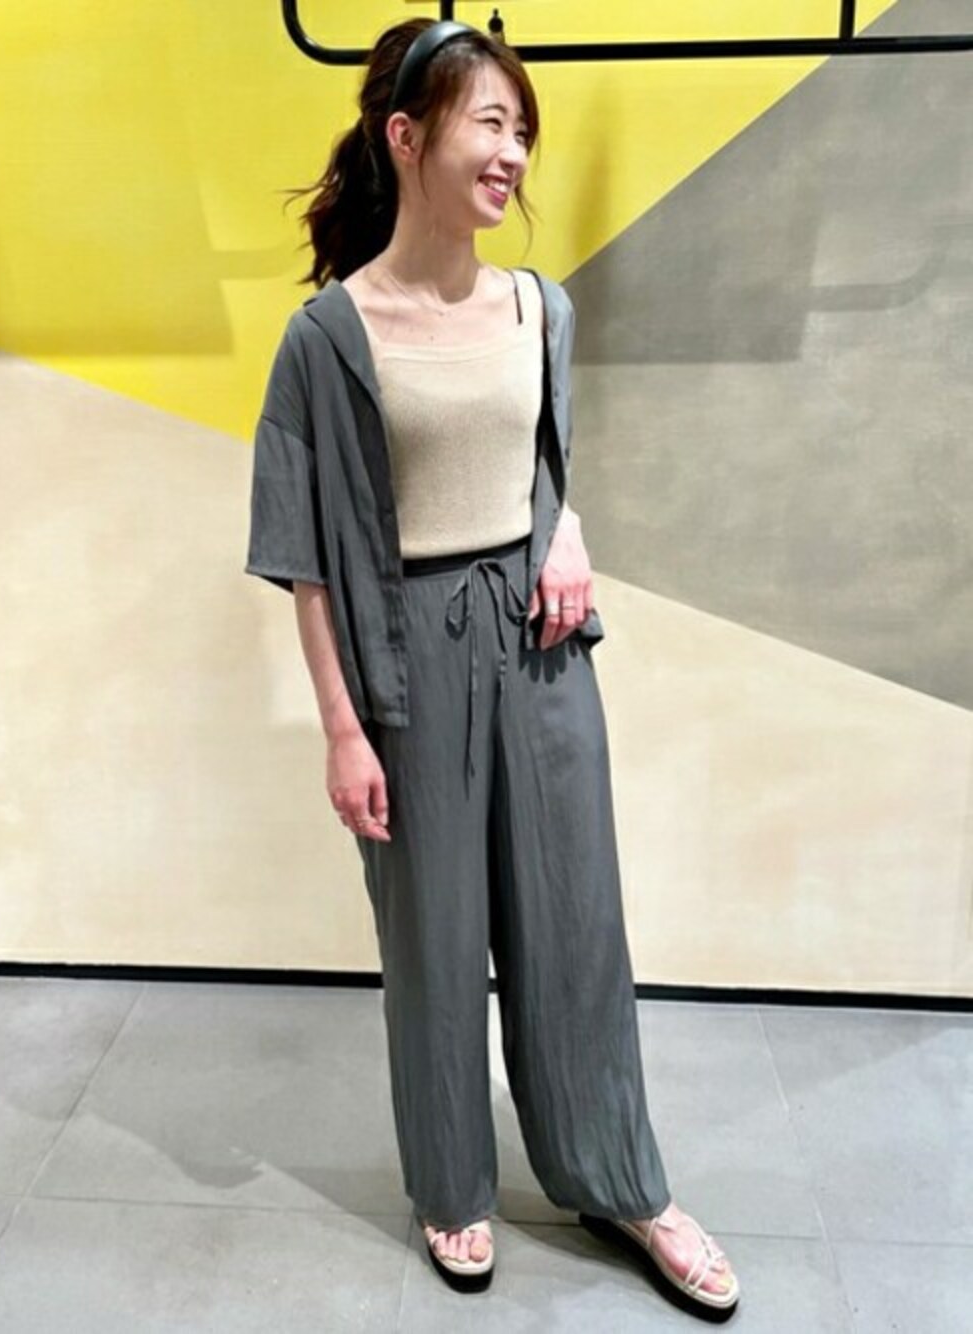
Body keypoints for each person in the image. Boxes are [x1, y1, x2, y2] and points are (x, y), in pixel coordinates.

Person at [246, 16, 740, 1316]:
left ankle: (621, 1181)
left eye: (522, 128)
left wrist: (567, 528)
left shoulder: (541, 309)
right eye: (490, 122)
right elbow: (303, 555)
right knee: (433, 942)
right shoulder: (328, 337)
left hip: (542, 652)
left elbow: (542, 470)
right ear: (406, 137)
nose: (513, 151)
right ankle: (452, 1181)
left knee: (577, 925)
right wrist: (343, 730)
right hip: (405, 661)